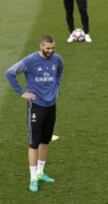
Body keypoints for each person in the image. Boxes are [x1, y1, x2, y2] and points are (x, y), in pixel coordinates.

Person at [6, 35, 64, 192]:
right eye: (47, 48)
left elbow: (59, 73)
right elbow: (10, 73)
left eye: (52, 48)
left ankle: (40, 173)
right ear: (41, 46)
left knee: (45, 141)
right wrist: (22, 93)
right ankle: (33, 178)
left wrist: (56, 88)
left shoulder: (57, 59)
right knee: (33, 143)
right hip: (36, 107)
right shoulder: (30, 60)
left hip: (51, 106)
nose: (50, 51)